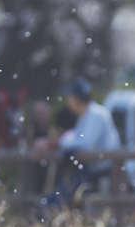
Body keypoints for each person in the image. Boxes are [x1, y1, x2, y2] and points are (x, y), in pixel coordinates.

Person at [40, 78, 120, 208]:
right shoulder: (86, 116)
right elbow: (75, 139)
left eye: (69, 97)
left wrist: (58, 142)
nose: (68, 101)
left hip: (106, 171)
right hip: (94, 171)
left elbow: (86, 143)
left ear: (76, 98)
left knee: (105, 208)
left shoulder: (97, 114)